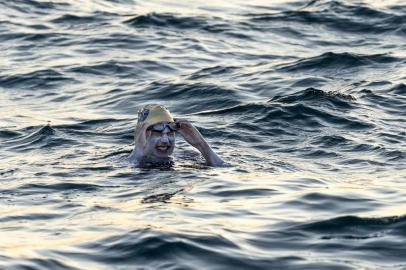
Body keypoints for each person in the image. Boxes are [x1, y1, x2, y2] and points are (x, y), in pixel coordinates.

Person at [129, 104, 224, 167]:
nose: (165, 140)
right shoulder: (123, 162)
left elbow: (221, 168)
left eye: (170, 133)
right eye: (157, 133)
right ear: (142, 134)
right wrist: (139, 148)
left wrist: (201, 145)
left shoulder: (189, 155)